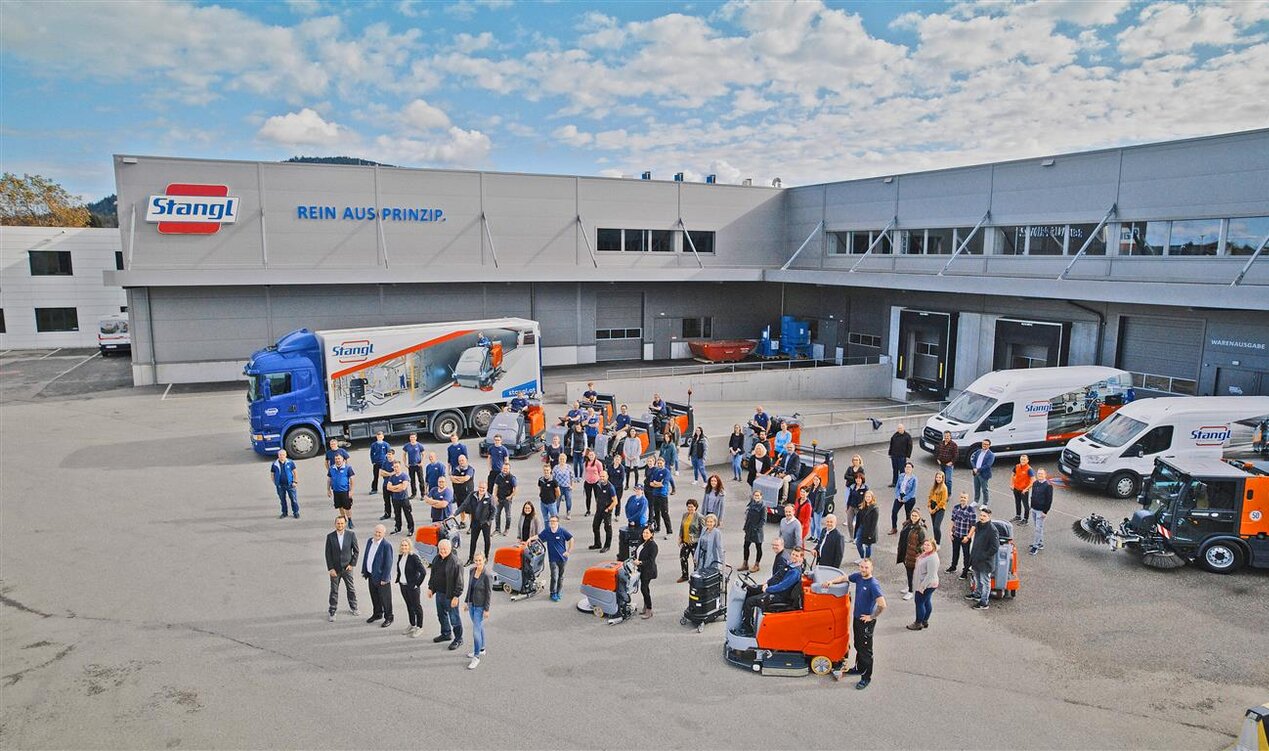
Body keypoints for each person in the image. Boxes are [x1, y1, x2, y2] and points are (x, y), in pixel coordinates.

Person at [824, 559, 886, 690]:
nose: (863, 569)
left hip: (866, 622)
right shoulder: (858, 577)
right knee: (858, 645)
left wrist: (872, 617)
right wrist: (831, 582)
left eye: (866, 567)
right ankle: (859, 668)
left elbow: (882, 604)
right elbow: (845, 578)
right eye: (861, 567)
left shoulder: (873, 584)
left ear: (871, 568)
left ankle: (866, 678)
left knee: (865, 652)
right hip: (857, 619)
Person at [740, 546, 803, 634]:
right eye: (793, 554)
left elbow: (782, 586)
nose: (794, 557)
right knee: (750, 589)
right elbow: (776, 576)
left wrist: (768, 589)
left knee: (750, 602)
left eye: (797, 556)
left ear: (801, 558)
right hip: (773, 588)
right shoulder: (790, 565)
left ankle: (747, 629)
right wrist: (767, 583)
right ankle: (747, 619)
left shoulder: (795, 572)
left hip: (780, 596)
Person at [427, 539, 464, 649]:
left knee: (454, 618)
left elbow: (460, 582)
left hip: (450, 596)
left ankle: (458, 639)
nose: (442, 551)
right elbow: (433, 575)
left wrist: (456, 596)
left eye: (445, 549)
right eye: (440, 549)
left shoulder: (456, 562)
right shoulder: (436, 559)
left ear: (450, 549)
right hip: (439, 593)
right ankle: (446, 634)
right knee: (441, 615)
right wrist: (431, 588)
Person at [325, 516, 359, 622]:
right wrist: (331, 568)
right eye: (338, 523)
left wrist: (352, 564)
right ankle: (332, 611)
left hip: (347, 568)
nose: (340, 525)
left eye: (342, 523)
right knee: (334, 590)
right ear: (335, 524)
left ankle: (354, 607)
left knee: (351, 589)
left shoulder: (351, 535)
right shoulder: (330, 536)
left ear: (345, 524)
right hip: (335, 570)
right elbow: (328, 554)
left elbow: (356, 551)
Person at [965, 507, 1000, 610]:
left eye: (984, 516)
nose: (982, 517)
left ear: (989, 517)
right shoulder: (979, 525)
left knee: (985, 582)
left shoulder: (992, 530)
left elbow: (995, 548)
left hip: (985, 562)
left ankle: (984, 602)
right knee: (977, 579)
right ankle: (977, 594)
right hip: (976, 559)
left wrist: (983, 556)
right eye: (981, 515)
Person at [534, 515, 573, 602]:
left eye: (554, 521)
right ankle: (553, 592)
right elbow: (539, 536)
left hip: (563, 559)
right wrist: (529, 539)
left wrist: (568, 551)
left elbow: (571, 539)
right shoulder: (547, 531)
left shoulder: (562, 531)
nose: (552, 523)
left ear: (557, 522)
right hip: (553, 559)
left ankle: (558, 592)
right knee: (554, 576)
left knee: (561, 577)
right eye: (551, 521)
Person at [362, 524, 394, 628]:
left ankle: (389, 617)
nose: (377, 534)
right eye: (376, 532)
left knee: (385, 599)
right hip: (371, 575)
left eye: (380, 532)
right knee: (374, 596)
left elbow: (388, 563)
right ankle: (377, 613)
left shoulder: (386, 545)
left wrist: (385, 578)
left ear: (384, 534)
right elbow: (366, 556)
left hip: (382, 578)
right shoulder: (370, 541)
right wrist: (365, 570)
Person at [465, 552, 492, 669]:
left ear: (484, 560)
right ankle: (482, 649)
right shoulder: (472, 570)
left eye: (480, 560)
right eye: (476, 561)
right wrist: (466, 602)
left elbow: (489, 593)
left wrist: (486, 609)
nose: (478, 563)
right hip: (472, 604)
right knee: (479, 627)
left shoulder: (487, 575)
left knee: (476, 631)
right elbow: (469, 588)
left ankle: (476, 657)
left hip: (480, 607)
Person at [396, 537, 426, 637]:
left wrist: (417, 584)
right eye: (402, 545)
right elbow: (400, 570)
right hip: (403, 586)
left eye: (406, 545)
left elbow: (423, 572)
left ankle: (419, 627)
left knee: (417, 606)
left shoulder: (413, 557)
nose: (404, 547)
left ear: (409, 546)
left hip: (413, 587)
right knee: (409, 605)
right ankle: (412, 624)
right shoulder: (401, 556)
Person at [461, 481, 496, 564]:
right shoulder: (473, 495)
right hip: (475, 522)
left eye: (483, 488)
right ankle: (471, 558)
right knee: (473, 541)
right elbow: (464, 505)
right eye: (480, 487)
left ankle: (486, 557)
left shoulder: (490, 497)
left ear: (486, 488)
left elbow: (494, 510)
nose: (481, 489)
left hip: (485, 523)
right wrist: (455, 514)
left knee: (487, 540)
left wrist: (489, 520)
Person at [908, 539, 940, 630]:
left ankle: (918, 623)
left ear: (933, 547)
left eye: (928, 545)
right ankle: (924, 621)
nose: (925, 546)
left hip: (927, 585)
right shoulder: (926, 554)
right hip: (926, 584)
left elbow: (930, 575)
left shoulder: (932, 558)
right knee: (926, 601)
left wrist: (922, 587)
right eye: (925, 544)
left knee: (919, 602)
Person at [896, 509, 928, 600]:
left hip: (912, 554)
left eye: (916, 516)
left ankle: (911, 591)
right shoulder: (907, 524)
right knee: (908, 571)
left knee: (911, 572)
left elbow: (923, 543)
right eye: (912, 515)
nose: (914, 517)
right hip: (905, 551)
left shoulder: (921, 529)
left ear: (919, 517)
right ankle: (909, 585)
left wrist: (916, 551)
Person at [947, 492, 976, 578]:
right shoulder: (956, 508)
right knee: (955, 552)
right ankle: (953, 567)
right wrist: (950, 531)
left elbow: (973, 526)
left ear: (967, 499)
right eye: (962, 497)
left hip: (965, 537)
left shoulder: (971, 510)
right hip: (956, 534)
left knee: (966, 555)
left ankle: (965, 571)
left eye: (965, 498)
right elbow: (953, 520)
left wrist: (968, 537)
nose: (963, 499)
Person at [633, 525, 659, 618]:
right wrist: (635, 559)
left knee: (644, 589)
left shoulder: (653, 546)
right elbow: (637, 552)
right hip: (641, 569)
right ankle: (646, 607)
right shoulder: (642, 542)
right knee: (645, 589)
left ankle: (649, 609)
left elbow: (651, 561)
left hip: (648, 571)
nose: (645, 534)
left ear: (652, 534)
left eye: (647, 533)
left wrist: (640, 562)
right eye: (644, 532)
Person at [676, 499, 703, 582]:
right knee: (683, 558)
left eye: (692, 507)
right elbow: (682, 527)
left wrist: (698, 540)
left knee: (696, 561)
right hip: (685, 541)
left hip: (695, 542)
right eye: (688, 507)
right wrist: (680, 537)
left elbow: (703, 531)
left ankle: (696, 577)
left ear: (695, 507)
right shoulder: (685, 515)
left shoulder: (699, 517)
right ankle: (685, 575)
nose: (690, 508)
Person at [590, 470, 618, 552]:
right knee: (595, 526)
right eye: (600, 476)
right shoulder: (598, 485)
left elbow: (615, 501)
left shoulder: (610, 487)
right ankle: (597, 544)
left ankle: (607, 546)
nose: (602, 478)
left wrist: (608, 509)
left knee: (607, 528)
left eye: (603, 476)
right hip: (599, 509)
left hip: (606, 511)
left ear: (607, 477)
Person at [327, 453, 356, 528]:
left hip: (345, 491)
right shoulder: (331, 468)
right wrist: (328, 490)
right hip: (336, 491)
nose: (337, 460)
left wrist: (351, 491)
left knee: (347, 507)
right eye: (336, 459)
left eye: (339, 459)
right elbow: (329, 479)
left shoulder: (348, 468)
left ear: (343, 459)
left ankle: (350, 520)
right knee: (340, 506)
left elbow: (352, 479)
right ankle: (343, 518)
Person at [645, 457, 672, 537]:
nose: (659, 464)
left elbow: (663, 484)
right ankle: (657, 528)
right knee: (656, 512)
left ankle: (669, 531)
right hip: (655, 494)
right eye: (658, 463)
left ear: (664, 463)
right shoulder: (656, 471)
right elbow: (651, 483)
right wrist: (657, 483)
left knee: (664, 513)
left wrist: (656, 483)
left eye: (661, 463)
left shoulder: (666, 472)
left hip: (662, 495)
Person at [1029, 469, 1054, 555]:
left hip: (1041, 511)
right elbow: (1033, 495)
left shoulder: (1048, 486)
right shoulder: (1035, 483)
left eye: (1041, 474)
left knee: (1038, 529)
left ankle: (1035, 546)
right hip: (1034, 509)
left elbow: (1049, 500)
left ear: (1045, 475)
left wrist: (1045, 512)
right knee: (1038, 527)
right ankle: (1040, 543)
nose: (1040, 475)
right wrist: (1031, 506)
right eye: (1038, 473)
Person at [386, 460, 414, 535]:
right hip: (395, 499)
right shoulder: (392, 477)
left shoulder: (404, 476)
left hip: (404, 499)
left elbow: (403, 487)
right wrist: (398, 486)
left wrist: (393, 488)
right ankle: (397, 528)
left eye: (397, 467)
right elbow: (388, 487)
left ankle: (410, 529)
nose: (396, 468)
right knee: (397, 514)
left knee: (408, 514)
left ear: (400, 467)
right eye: (394, 467)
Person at [741, 490, 765, 573]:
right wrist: (745, 527)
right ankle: (745, 564)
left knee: (758, 547)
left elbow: (763, 520)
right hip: (749, 528)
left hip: (757, 531)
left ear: (761, 496)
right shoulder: (751, 504)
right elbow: (748, 517)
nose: (757, 497)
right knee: (746, 546)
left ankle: (757, 565)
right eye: (755, 495)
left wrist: (757, 528)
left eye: (758, 495)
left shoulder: (763, 506)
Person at [271, 449, 299, 519]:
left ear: (286, 455)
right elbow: (272, 474)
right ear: (278, 455)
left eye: (283, 455)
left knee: (293, 499)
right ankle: (284, 513)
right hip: (280, 486)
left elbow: (295, 472)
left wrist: (295, 481)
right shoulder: (274, 464)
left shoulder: (290, 462)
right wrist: (275, 483)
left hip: (290, 485)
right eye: (280, 455)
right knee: (282, 500)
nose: (282, 456)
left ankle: (296, 512)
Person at [890, 462, 917, 535]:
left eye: (909, 467)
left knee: (908, 514)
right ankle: (894, 528)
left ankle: (907, 530)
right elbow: (897, 487)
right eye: (906, 467)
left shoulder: (914, 479)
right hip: (900, 495)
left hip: (909, 498)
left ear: (912, 469)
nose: (908, 469)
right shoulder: (901, 476)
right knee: (894, 511)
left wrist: (905, 498)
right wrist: (898, 496)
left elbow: (913, 491)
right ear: (904, 468)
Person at [450, 454, 475, 527]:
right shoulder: (456, 469)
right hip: (458, 493)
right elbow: (451, 478)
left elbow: (466, 478)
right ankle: (463, 522)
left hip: (468, 493)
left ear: (466, 460)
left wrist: (456, 478)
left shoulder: (470, 469)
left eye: (462, 460)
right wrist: (460, 480)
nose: (461, 462)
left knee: (470, 510)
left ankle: (472, 525)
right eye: (460, 461)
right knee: (461, 508)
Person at [492, 463, 517, 536]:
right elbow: (496, 487)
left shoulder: (512, 478)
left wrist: (510, 496)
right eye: (504, 468)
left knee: (508, 515)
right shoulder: (499, 476)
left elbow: (515, 489)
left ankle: (506, 529)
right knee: (497, 514)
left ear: (509, 469)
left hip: (507, 500)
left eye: (506, 469)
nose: (505, 470)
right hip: (499, 499)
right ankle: (497, 529)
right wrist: (495, 496)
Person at [855, 491, 879, 561]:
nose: (867, 498)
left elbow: (874, 523)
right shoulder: (862, 506)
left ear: (872, 498)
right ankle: (862, 557)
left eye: (869, 497)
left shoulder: (875, 509)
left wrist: (870, 535)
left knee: (867, 545)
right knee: (858, 543)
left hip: (869, 529)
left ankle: (867, 559)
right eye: (866, 497)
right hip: (861, 527)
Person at [1011, 454, 1035, 526]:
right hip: (1016, 488)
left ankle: (1025, 519)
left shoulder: (1029, 469)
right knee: (1017, 502)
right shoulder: (1017, 466)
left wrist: (1026, 489)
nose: (1023, 461)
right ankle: (1018, 516)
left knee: (1025, 505)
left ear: (1027, 461)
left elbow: (1033, 480)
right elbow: (1012, 474)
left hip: (1024, 490)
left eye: (1024, 460)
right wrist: (1012, 484)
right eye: (1021, 459)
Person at [970, 439, 995, 507]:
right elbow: (972, 460)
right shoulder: (978, 451)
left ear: (989, 446)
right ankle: (975, 501)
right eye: (983, 444)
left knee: (984, 489)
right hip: (976, 473)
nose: (984, 445)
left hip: (984, 474)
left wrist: (978, 469)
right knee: (976, 488)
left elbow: (988, 465)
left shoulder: (991, 455)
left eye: (986, 444)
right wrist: (974, 467)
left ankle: (985, 504)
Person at [928, 471, 949, 545]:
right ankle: (935, 540)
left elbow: (943, 501)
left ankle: (938, 543)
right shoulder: (934, 486)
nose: (938, 479)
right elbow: (930, 497)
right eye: (937, 477)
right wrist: (929, 507)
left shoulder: (944, 488)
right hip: (932, 506)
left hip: (940, 508)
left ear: (943, 478)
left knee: (937, 526)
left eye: (940, 477)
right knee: (934, 526)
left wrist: (935, 509)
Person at [844, 470, 868, 537]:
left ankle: (857, 537)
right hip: (851, 507)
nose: (858, 480)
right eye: (856, 478)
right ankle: (851, 537)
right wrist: (847, 507)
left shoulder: (865, 488)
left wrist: (863, 507)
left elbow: (866, 499)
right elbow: (850, 497)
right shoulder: (852, 487)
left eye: (859, 479)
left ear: (862, 480)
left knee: (859, 524)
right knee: (849, 522)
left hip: (859, 508)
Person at [581, 449, 603, 517]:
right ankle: (588, 510)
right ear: (588, 456)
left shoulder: (598, 463)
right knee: (588, 497)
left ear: (595, 455)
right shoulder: (585, 463)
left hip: (596, 482)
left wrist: (601, 481)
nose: (591, 456)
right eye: (590, 455)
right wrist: (585, 479)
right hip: (588, 482)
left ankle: (598, 510)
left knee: (597, 497)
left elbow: (601, 472)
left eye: (592, 455)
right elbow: (584, 472)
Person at [377, 448, 398, 521]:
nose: (388, 456)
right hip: (385, 484)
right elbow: (381, 473)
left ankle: (397, 515)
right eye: (387, 454)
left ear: (393, 455)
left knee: (394, 501)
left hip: (393, 485)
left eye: (390, 454)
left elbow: (396, 472)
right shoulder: (384, 462)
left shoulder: (395, 463)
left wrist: (387, 473)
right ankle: (387, 514)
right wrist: (390, 474)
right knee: (386, 501)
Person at [403, 433, 425, 499]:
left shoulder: (419, 445)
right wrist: (405, 463)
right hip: (411, 466)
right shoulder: (407, 446)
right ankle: (413, 494)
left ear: (416, 438)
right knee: (412, 481)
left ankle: (423, 494)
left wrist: (422, 462)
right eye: (411, 437)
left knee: (421, 480)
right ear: (409, 438)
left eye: (413, 437)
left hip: (418, 465)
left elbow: (423, 454)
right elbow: (404, 455)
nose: (412, 438)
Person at [554, 454, 576, 520]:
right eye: (561, 459)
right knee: (557, 501)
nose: (562, 460)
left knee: (568, 500)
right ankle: (556, 514)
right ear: (559, 460)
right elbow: (553, 478)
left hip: (567, 487)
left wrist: (572, 485)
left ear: (565, 460)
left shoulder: (568, 467)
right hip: (558, 487)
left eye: (563, 459)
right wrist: (554, 487)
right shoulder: (556, 467)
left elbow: (572, 477)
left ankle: (568, 512)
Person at [806, 474, 826, 542]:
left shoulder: (821, 490)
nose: (815, 481)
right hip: (811, 508)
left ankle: (818, 538)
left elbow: (821, 502)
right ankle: (812, 536)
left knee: (817, 524)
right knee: (812, 524)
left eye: (817, 480)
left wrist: (817, 510)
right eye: (814, 479)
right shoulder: (811, 488)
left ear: (819, 481)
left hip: (817, 509)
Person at [369, 431, 390, 496]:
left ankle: (388, 488)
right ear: (376, 437)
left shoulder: (386, 444)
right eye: (378, 437)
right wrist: (373, 461)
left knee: (386, 476)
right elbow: (371, 454)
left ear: (383, 437)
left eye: (381, 437)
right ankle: (374, 489)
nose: (379, 438)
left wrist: (387, 461)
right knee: (375, 476)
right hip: (376, 463)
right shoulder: (373, 445)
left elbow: (389, 453)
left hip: (384, 463)